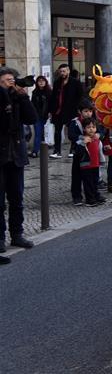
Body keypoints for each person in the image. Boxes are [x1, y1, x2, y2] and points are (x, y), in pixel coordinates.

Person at [0, 67, 37, 254]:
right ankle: (0, 238)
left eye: (12, 80)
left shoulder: (17, 99)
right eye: (7, 80)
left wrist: (23, 97)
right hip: (1, 155)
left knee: (17, 199)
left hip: (16, 155)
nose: (11, 83)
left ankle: (17, 234)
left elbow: (32, 118)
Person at [49, 64, 84, 158]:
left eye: (64, 71)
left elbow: (80, 96)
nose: (62, 73)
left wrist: (78, 108)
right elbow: (53, 97)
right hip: (58, 111)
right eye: (61, 71)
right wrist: (51, 110)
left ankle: (72, 149)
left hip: (71, 110)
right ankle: (57, 151)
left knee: (72, 131)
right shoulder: (57, 82)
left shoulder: (75, 82)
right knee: (57, 131)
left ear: (68, 71)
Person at [72, 118, 105, 207]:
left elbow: (100, 150)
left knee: (95, 182)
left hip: (95, 164)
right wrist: (83, 143)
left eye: (93, 127)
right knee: (88, 183)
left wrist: (105, 150)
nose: (91, 129)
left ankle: (96, 196)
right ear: (84, 129)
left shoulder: (97, 139)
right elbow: (77, 151)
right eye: (88, 127)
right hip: (86, 165)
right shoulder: (82, 140)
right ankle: (90, 200)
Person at [29, 75, 52, 158]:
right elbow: (32, 104)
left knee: (45, 134)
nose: (41, 82)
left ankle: (43, 149)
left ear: (46, 82)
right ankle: (35, 151)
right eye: (39, 81)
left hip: (47, 116)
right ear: (37, 83)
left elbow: (52, 104)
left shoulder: (49, 92)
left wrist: (51, 113)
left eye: (43, 80)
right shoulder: (35, 92)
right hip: (37, 116)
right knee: (38, 133)